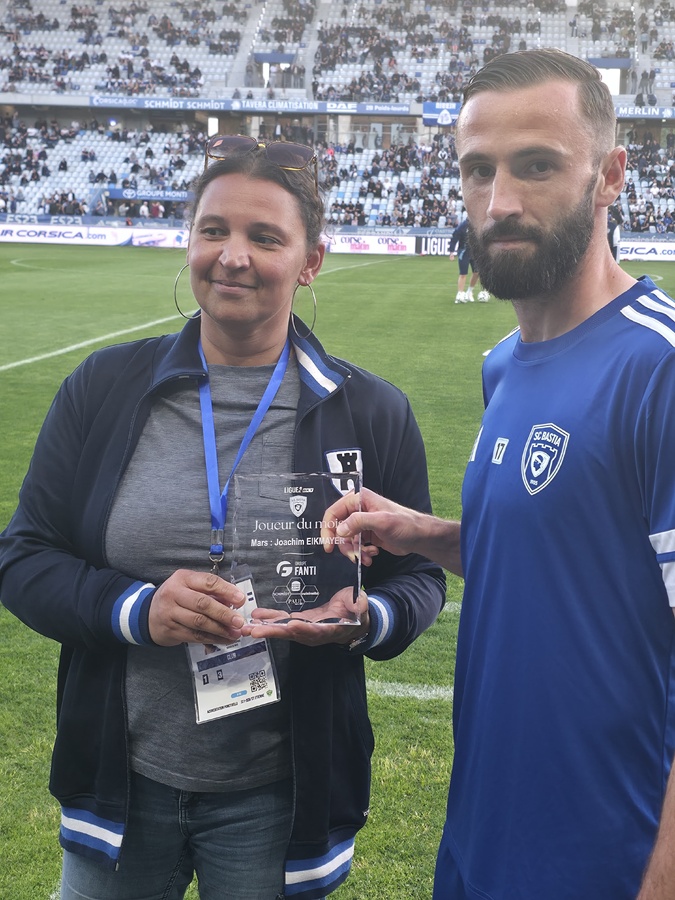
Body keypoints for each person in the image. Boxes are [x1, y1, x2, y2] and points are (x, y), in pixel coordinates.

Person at [0, 136, 445, 900]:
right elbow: (24, 556)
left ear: (310, 260)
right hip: (121, 785)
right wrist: (136, 609)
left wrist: (366, 618)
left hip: (279, 797)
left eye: (264, 237)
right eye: (214, 230)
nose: (232, 256)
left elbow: (419, 577)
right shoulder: (103, 387)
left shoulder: (370, 411)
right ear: (190, 240)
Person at [322, 49, 675, 900]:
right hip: (484, 835)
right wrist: (423, 534)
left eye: (536, 166)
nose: (498, 202)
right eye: (477, 170)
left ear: (610, 176)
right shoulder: (502, 364)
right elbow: (571, 557)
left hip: (608, 859)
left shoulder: (658, 368)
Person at [448, 215, 490, 303]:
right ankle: (460, 293)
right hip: (464, 252)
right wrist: (451, 252)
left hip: (475, 253)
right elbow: (454, 238)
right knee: (463, 273)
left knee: (477, 273)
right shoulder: (462, 226)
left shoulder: (478, 225)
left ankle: (469, 291)